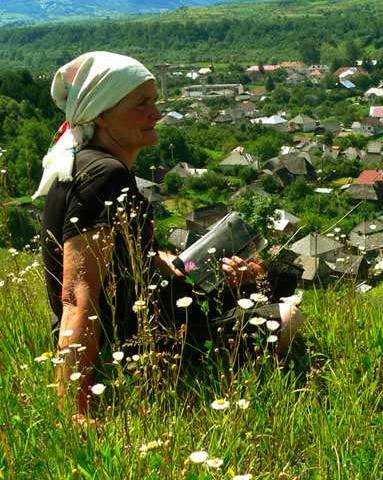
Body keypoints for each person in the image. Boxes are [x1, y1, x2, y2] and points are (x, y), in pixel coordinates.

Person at [36, 52, 304, 424]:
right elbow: (77, 293)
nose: (156, 114)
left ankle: (245, 279)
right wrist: (74, 409)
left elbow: (115, 256)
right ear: (101, 112)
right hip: (136, 340)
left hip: (150, 308)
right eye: (142, 104)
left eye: (155, 102)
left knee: (275, 275)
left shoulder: (85, 163)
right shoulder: (105, 175)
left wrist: (171, 261)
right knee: (288, 316)